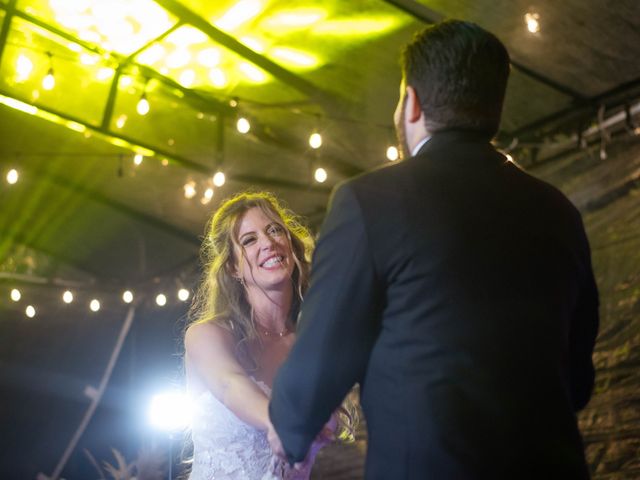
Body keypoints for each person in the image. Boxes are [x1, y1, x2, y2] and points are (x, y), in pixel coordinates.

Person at [269, 19, 599, 479]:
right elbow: (578, 384)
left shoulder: (370, 200)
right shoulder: (559, 211)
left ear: (413, 102)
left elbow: (319, 363)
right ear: (495, 108)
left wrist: (290, 424)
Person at [184, 191, 334, 479]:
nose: (268, 243)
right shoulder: (207, 335)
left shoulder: (313, 344)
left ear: (290, 243)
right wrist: (278, 423)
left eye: (275, 230)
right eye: (249, 240)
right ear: (233, 267)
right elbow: (229, 384)